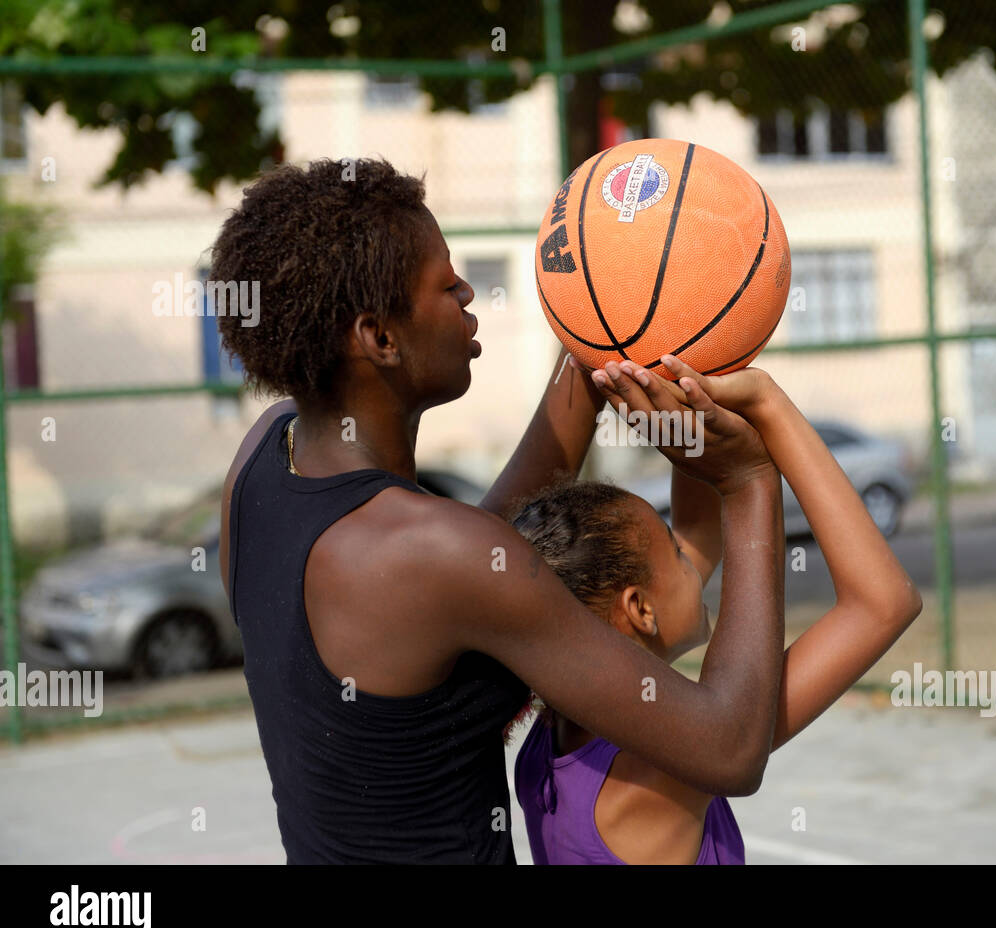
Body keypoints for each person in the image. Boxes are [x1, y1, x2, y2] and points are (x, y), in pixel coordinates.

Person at [213, 158, 787, 863]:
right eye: (443, 282)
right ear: (380, 338)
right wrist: (752, 484)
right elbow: (728, 748)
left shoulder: (264, 458)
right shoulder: (435, 555)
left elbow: (467, 555)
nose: (464, 290)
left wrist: (605, 317)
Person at [511, 364, 922, 864]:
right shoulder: (661, 764)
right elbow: (882, 602)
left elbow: (701, 529)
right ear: (640, 610)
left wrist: (689, 385)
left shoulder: (556, 728)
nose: (693, 554)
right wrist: (767, 413)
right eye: (675, 552)